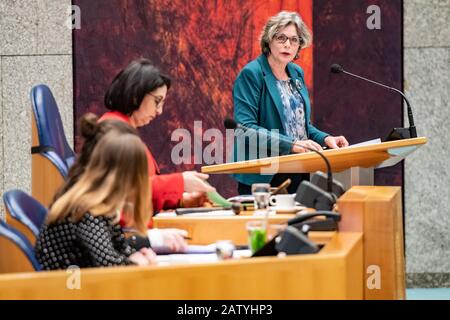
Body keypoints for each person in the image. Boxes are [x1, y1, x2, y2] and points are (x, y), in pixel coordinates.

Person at [232, 11, 349, 194]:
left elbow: (301, 126)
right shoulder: (252, 74)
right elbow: (245, 128)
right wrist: (292, 144)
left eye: (294, 40)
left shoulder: (296, 73)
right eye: (281, 38)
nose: (288, 44)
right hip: (264, 175)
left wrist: (326, 138)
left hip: (299, 169)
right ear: (269, 41)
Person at [51, 113, 188, 252]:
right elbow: (110, 263)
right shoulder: (86, 212)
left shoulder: (99, 208)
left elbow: (118, 245)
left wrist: (147, 243)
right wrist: (140, 256)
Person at [101, 58, 215, 211]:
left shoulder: (119, 127)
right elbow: (126, 192)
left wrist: (181, 201)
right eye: (157, 101)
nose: (159, 111)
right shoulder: (111, 132)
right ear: (136, 95)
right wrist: (180, 182)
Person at [36, 130, 156, 270]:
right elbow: (109, 266)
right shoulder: (86, 209)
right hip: (70, 288)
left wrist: (138, 255)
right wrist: (137, 263)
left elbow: (118, 247)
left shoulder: (101, 205)